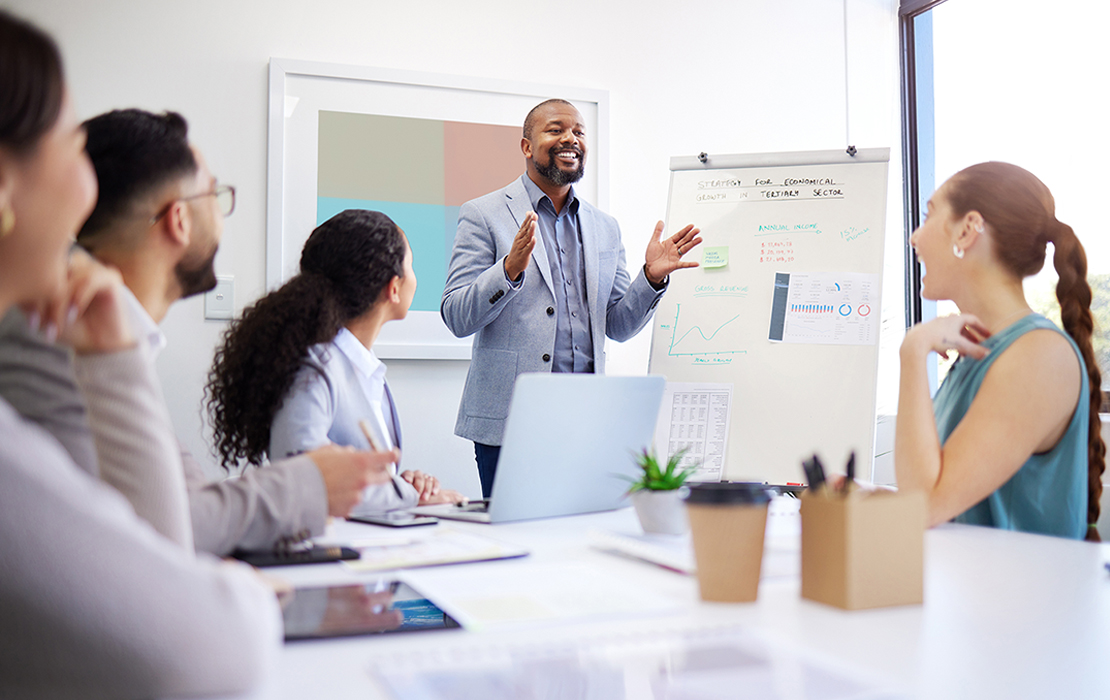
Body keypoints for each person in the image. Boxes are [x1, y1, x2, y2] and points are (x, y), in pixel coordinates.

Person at [0, 11, 391, 696]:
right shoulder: (45, 340)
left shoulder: (95, 338)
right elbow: (186, 628)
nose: (84, 188)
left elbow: (159, 531)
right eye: (68, 145)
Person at [0, 107, 394, 555]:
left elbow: (182, 501)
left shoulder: (116, 339)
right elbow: (163, 532)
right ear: (179, 220)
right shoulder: (56, 341)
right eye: (214, 194)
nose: (221, 215)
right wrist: (309, 484)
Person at [441, 98, 703, 497]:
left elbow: (617, 325)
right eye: (556, 129)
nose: (571, 139)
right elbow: (457, 315)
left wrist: (649, 278)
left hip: (586, 420)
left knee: (577, 536)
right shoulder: (484, 213)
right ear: (527, 146)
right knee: (519, 544)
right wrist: (508, 270)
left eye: (579, 132)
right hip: (511, 423)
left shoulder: (604, 227)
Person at [895, 161, 1105, 540]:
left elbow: (923, 507)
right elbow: (933, 496)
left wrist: (913, 351)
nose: (914, 237)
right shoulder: (981, 352)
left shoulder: (1038, 356)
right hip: (972, 594)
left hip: (1015, 598)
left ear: (968, 229)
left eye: (928, 216)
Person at [207, 209, 464, 510]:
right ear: (393, 288)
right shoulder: (313, 370)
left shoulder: (361, 367)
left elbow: (356, 473)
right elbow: (308, 480)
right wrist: (409, 498)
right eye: (411, 266)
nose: (415, 278)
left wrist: (400, 484)